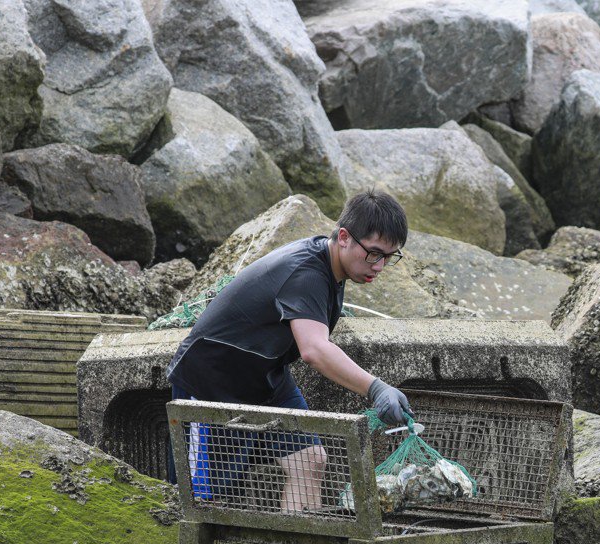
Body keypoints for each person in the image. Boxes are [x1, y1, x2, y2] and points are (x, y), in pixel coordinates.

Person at [166, 190, 414, 512]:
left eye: (389, 257)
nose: (379, 266)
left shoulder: (333, 270)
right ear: (343, 237)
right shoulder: (306, 272)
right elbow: (313, 349)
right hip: (210, 381)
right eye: (374, 254)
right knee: (199, 499)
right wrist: (375, 388)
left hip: (266, 381)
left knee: (309, 461)